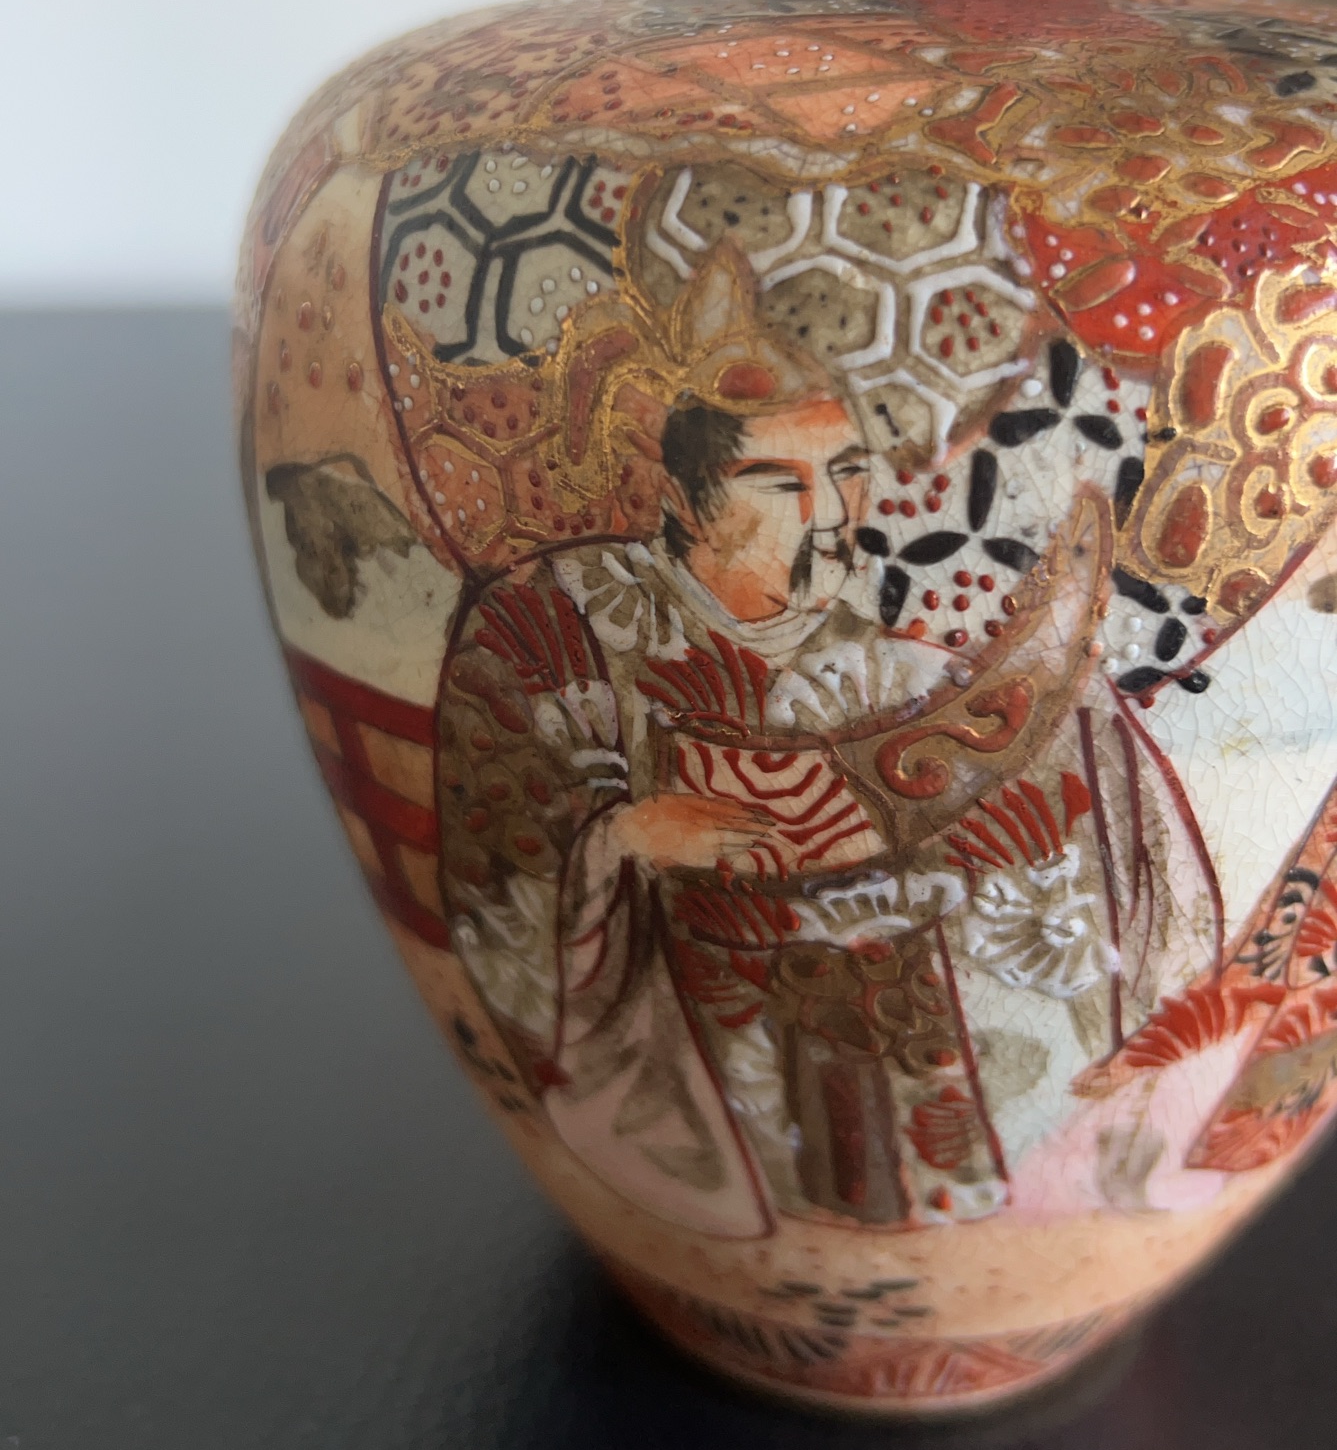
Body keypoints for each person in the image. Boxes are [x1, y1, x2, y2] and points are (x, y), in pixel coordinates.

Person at [437, 253, 1221, 1236]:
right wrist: (622, 839)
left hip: (900, 1023)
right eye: (776, 483)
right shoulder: (561, 616)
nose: (824, 517)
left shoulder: (878, 651)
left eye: (845, 474)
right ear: (680, 497)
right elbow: (498, 837)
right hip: (690, 1020)